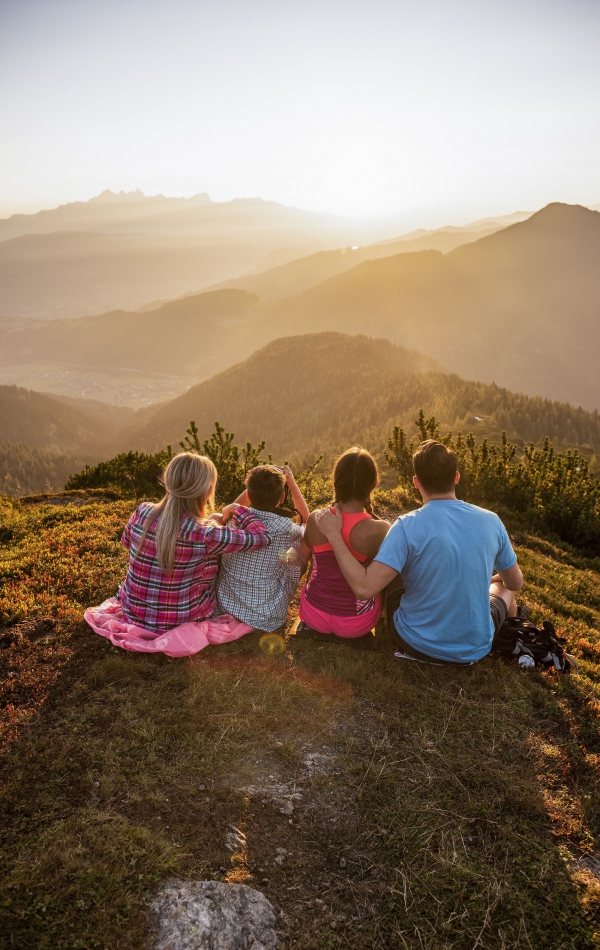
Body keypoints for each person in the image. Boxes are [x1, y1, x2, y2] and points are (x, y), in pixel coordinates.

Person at [315, 439, 523, 665]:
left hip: (414, 641)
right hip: (474, 649)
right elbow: (515, 583)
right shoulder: (491, 521)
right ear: (456, 477)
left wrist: (335, 535)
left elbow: (364, 589)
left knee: (396, 568)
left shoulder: (405, 526)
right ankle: (515, 635)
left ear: (416, 482)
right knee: (502, 587)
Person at [116, 452, 272, 631]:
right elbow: (263, 537)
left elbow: (126, 542)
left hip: (133, 611)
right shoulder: (206, 533)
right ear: (207, 489)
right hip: (183, 618)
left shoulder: (142, 511)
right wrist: (238, 510)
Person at [298, 447, 390, 643]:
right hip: (356, 624)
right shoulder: (381, 529)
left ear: (336, 481)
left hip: (313, 615)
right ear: (373, 484)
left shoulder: (316, 518)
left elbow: (307, 562)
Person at [217, 465, 310, 632]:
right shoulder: (286, 528)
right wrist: (292, 484)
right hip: (267, 616)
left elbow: (236, 505)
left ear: (248, 494)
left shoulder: (233, 519)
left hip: (226, 605)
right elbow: (305, 520)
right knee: (304, 542)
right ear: (281, 497)